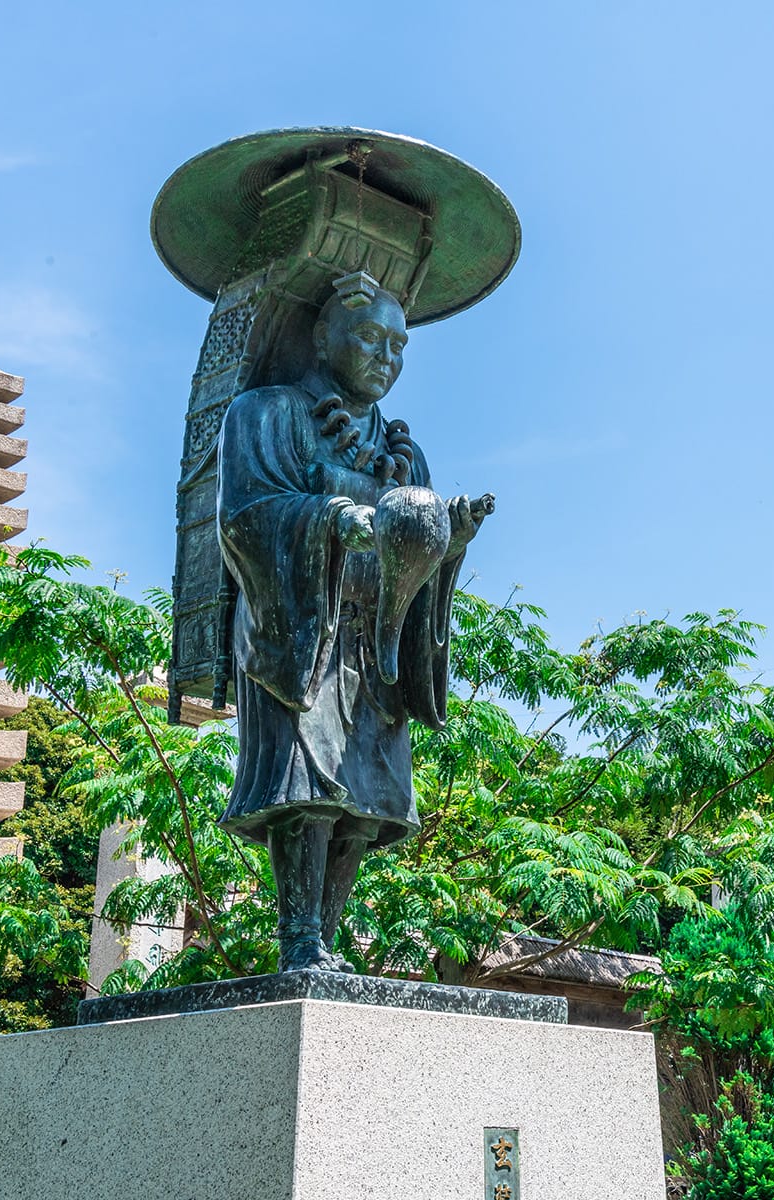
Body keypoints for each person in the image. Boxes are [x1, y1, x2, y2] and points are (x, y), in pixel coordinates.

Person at [216, 280, 489, 972]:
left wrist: (449, 539)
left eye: (399, 344)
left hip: (378, 633)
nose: (387, 357)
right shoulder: (266, 413)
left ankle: (327, 942)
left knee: (367, 799)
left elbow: (418, 553)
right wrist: (331, 520)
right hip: (301, 625)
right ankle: (299, 940)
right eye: (370, 337)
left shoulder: (406, 456)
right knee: (307, 788)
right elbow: (245, 517)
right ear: (321, 337)